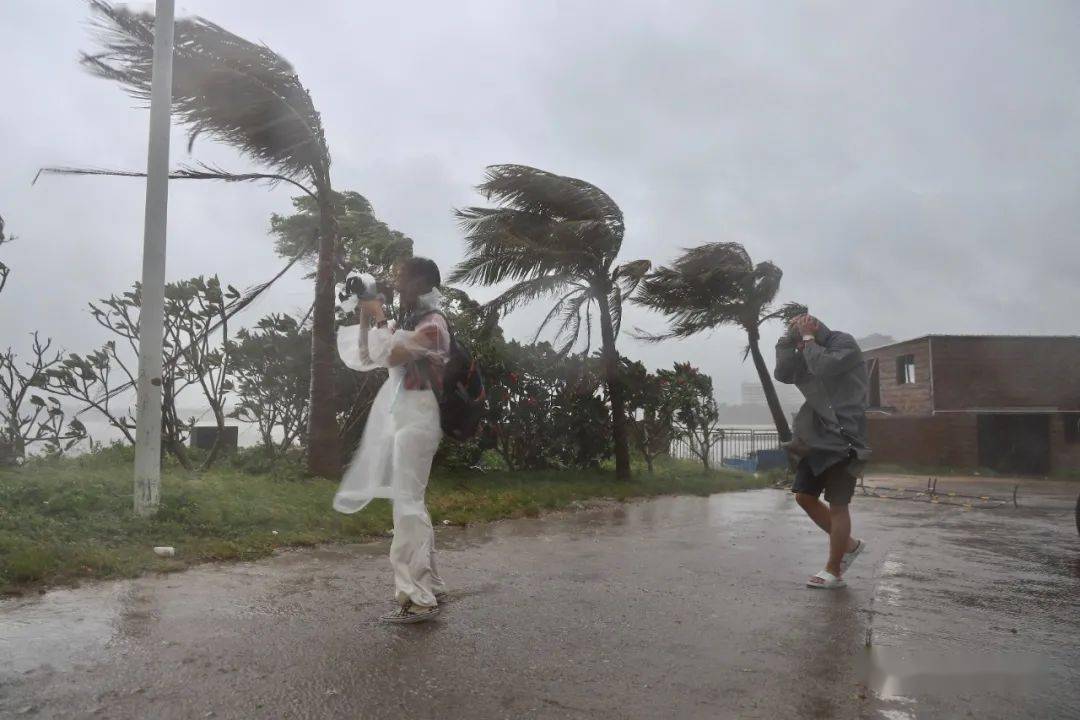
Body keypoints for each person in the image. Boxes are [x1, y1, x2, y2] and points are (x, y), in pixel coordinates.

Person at [334, 257, 449, 623]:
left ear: (422, 283)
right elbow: (368, 355)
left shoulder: (434, 326)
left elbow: (395, 352)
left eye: (403, 279)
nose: (398, 286)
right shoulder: (412, 322)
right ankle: (431, 585)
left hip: (419, 415)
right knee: (412, 500)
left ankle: (418, 596)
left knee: (407, 502)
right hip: (407, 414)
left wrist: (380, 316)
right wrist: (367, 314)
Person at [774, 313, 871, 589]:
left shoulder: (844, 343)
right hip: (815, 436)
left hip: (845, 435)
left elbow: (823, 368)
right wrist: (786, 340)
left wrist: (807, 339)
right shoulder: (806, 349)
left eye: (803, 329)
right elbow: (783, 373)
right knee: (804, 496)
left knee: (839, 505)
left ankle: (834, 570)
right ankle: (849, 545)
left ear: (815, 327)